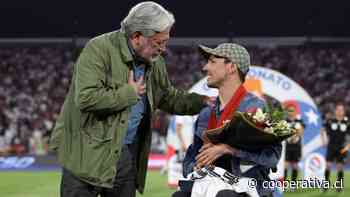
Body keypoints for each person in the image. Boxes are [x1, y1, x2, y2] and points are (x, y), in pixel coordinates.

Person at [49, 2, 211, 197]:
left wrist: (202, 101)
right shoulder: (99, 49)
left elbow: (168, 97)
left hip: (124, 153)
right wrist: (129, 93)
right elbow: (86, 98)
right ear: (136, 37)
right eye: (158, 42)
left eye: (165, 41)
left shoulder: (154, 60)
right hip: (85, 153)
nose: (164, 49)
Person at [173, 43, 282, 197]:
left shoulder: (255, 109)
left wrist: (229, 150)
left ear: (231, 67)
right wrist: (196, 165)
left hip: (246, 187)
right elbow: (190, 159)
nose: (205, 68)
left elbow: (272, 158)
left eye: (212, 62)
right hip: (209, 184)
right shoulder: (205, 113)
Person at [321, 102, 349, 192]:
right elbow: (322, 130)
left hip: (342, 147)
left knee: (340, 167)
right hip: (331, 146)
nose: (340, 111)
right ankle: (326, 185)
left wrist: (348, 146)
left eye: (341, 110)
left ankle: (339, 186)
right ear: (335, 111)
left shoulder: (347, 122)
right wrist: (324, 140)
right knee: (328, 166)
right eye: (338, 110)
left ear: (344, 111)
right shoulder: (330, 120)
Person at [284, 104, 304, 182]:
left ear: (295, 111)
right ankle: (284, 184)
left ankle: (293, 184)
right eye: (289, 110)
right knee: (285, 165)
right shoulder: (285, 121)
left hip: (296, 146)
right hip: (287, 146)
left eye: (292, 110)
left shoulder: (299, 121)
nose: (291, 112)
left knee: (295, 166)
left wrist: (294, 136)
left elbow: (301, 132)